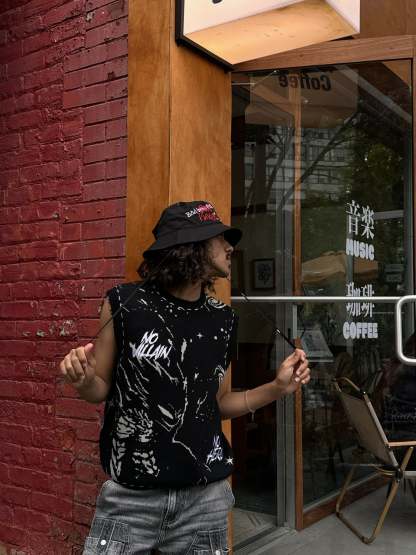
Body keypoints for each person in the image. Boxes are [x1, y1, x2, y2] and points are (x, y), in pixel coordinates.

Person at [59, 200, 310, 555]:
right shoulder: (124, 303)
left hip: (204, 502)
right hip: (131, 500)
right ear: (189, 245)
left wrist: (277, 387)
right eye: (219, 238)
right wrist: (83, 380)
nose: (230, 247)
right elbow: (98, 388)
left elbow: (220, 403)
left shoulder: (223, 320)